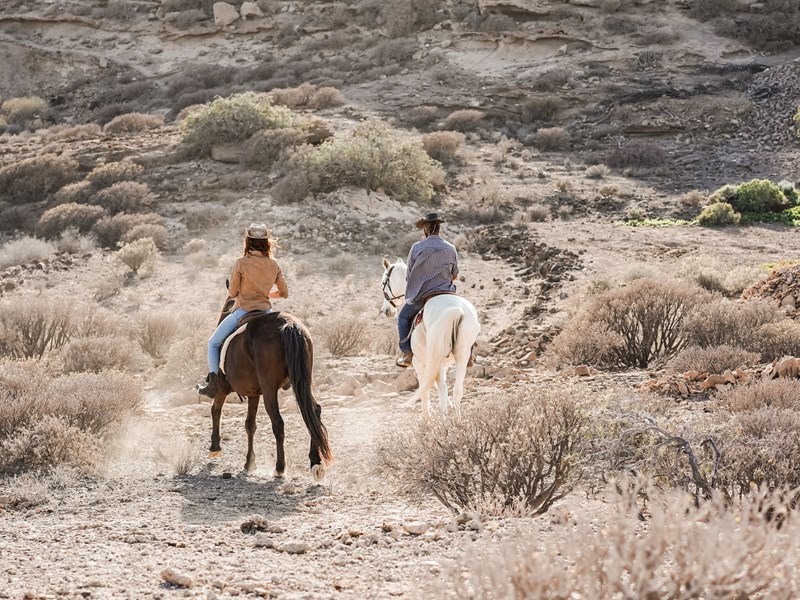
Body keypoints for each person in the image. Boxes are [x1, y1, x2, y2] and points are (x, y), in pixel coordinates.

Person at [197, 223, 289, 397]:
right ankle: (287, 373)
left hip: (243, 311)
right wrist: (265, 294)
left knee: (213, 343)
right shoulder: (274, 264)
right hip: (266, 313)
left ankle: (213, 383)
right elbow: (284, 293)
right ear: (266, 242)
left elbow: (232, 293)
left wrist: (246, 293)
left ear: (248, 242)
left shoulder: (241, 263)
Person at [396, 212, 458, 368]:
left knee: (403, 318)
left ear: (426, 228)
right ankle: (469, 350)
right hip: (447, 293)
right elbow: (455, 274)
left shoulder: (417, 247)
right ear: (438, 229)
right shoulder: (451, 248)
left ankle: (407, 353)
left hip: (424, 295)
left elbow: (409, 274)